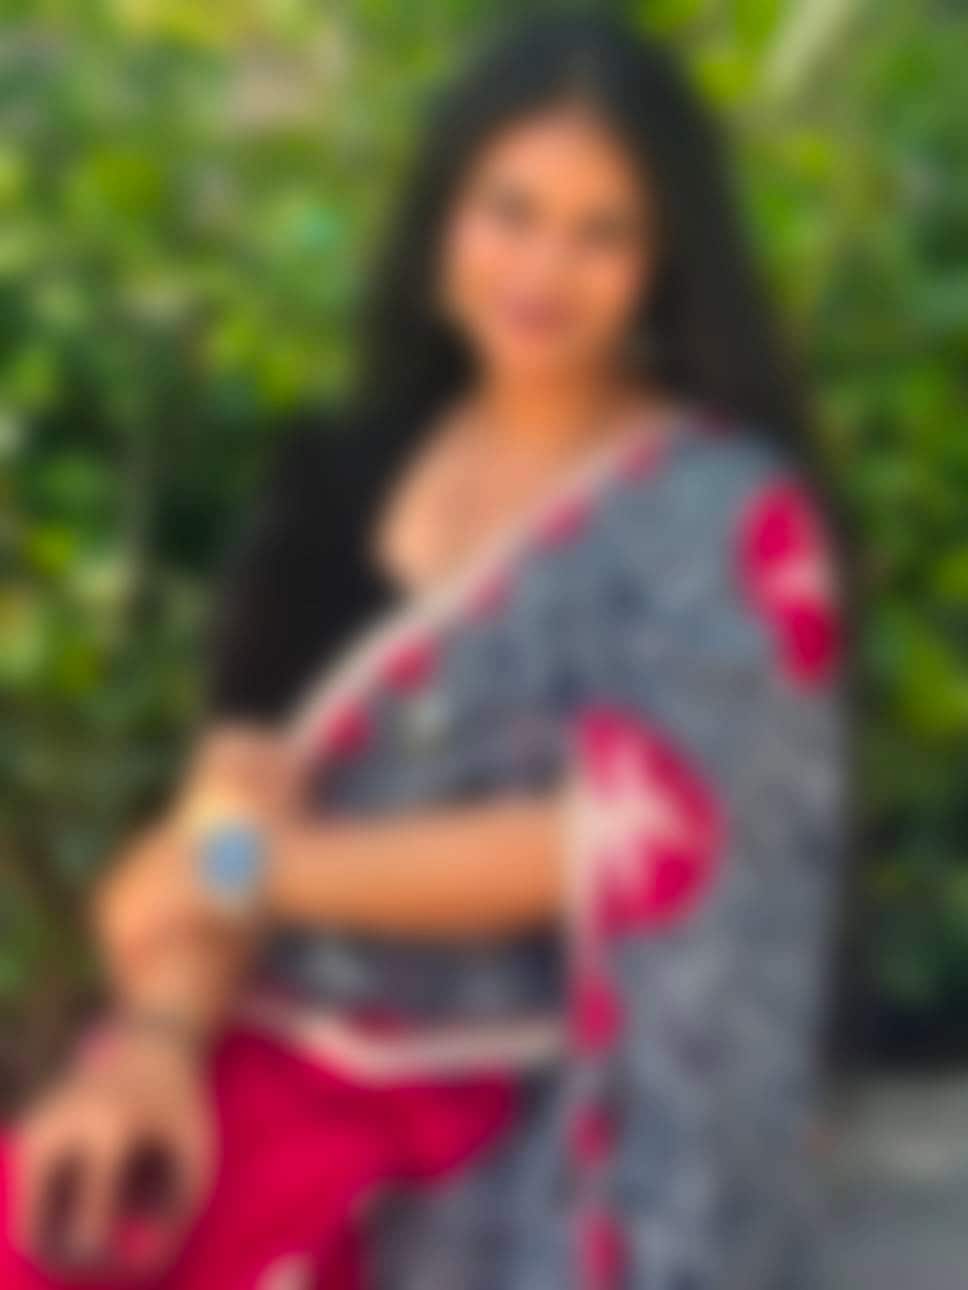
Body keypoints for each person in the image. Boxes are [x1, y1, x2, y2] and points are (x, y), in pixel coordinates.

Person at [3, 13, 846, 1289]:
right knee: (54, 1228)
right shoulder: (336, 473)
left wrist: (248, 868)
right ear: (444, 215)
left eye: (600, 232)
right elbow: (239, 787)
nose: (542, 268)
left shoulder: (711, 520)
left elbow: (633, 839)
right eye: (509, 211)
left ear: (661, 258)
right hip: (279, 1038)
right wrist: (159, 1046)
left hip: (554, 1098)